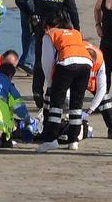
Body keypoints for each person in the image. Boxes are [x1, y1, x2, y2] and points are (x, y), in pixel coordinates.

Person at [17, 0, 80, 105]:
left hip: (41, 25)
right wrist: (76, 30)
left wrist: (31, 13)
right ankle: (52, 91)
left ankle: (37, 91)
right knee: (57, 60)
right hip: (58, 28)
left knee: (39, 58)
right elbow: (72, 9)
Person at [36, 15, 93, 152]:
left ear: (47, 27)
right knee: (76, 104)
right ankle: (73, 140)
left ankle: (51, 139)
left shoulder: (50, 34)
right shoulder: (75, 33)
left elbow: (47, 62)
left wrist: (50, 83)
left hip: (67, 63)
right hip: (86, 64)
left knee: (56, 105)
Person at [83, 40, 112, 140]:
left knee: (105, 99)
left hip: (91, 80)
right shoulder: (75, 59)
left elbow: (102, 89)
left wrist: (90, 110)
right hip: (74, 76)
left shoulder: (100, 61)